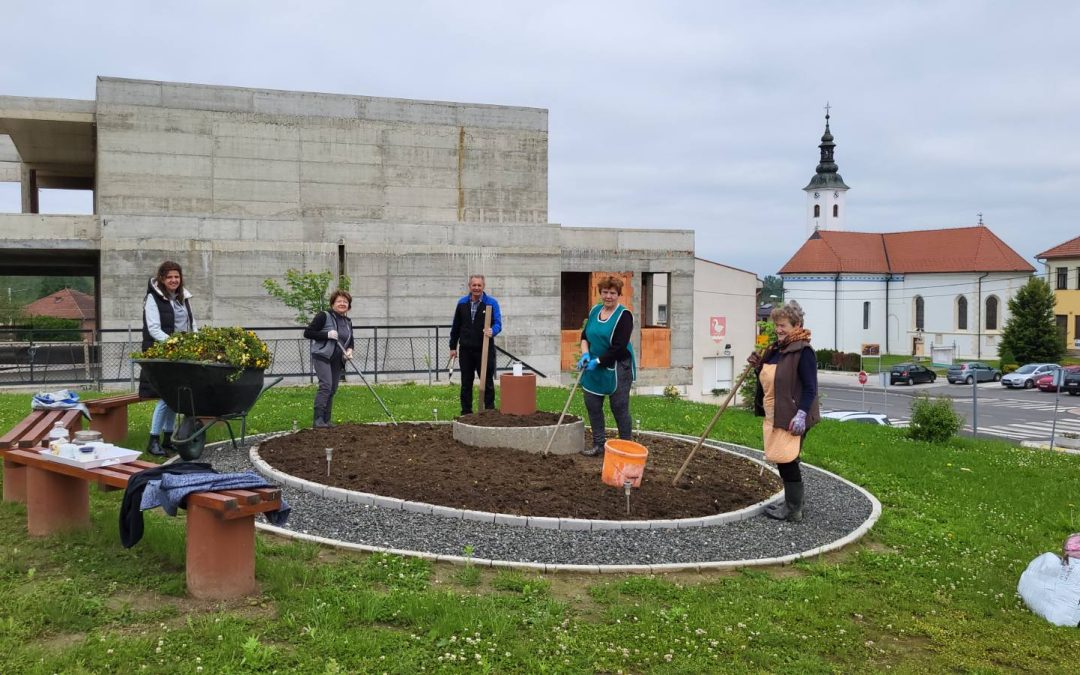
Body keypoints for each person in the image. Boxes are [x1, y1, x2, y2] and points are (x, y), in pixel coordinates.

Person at [748, 300, 820, 522]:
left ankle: (793, 510)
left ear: (796, 325)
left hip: (792, 416)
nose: (778, 329)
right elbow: (770, 378)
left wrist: (801, 415)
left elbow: (810, 387)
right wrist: (757, 366)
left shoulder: (803, 351)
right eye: (777, 325)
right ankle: (794, 501)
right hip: (774, 412)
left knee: (786, 459)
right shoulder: (776, 349)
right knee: (786, 459)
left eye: (783, 325)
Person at [140, 260, 196, 457]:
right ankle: (153, 440)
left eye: (177, 277)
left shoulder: (183, 298)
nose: (174, 280)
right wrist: (174, 344)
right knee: (167, 397)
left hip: (181, 354)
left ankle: (167, 439)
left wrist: (195, 341)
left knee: (176, 397)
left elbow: (191, 323)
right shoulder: (152, 299)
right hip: (162, 354)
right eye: (170, 277)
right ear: (162, 279)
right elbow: (154, 329)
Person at [578, 275, 637, 457]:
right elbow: (584, 336)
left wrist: (599, 361)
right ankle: (599, 445)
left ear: (618, 294)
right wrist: (586, 354)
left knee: (619, 407)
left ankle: (626, 447)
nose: (608, 296)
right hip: (593, 364)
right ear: (600, 293)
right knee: (592, 404)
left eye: (612, 293)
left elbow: (619, 348)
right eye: (605, 292)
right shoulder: (595, 310)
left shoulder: (624, 316)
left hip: (618, 366)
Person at [448, 274, 502, 415]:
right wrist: (453, 347)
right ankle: (466, 412)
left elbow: (498, 323)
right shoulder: (462, 304)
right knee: (466, 382)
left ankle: (489, 412)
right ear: (469, 286)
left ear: (483, 286)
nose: (476, 288)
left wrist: (492, 330)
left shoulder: (491, 303)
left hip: (484, 350)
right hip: (466, 350)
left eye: (479, 285)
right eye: (474, 285)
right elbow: (456, 327)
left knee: (487, 382)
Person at [304, 289, 355, 428]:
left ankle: (327, 420)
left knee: (332, 388)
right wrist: (327, 335)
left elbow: (350, 341)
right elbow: (308, 333)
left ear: (349, 306)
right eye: (339, 301)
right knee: (326, 386)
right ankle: (318, 420)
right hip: (322, 356)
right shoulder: (324, 316)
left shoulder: (348, 322)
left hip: (337, 360)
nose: (342, 303)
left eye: (345, 301)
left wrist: (349, 351)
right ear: (333, 303)